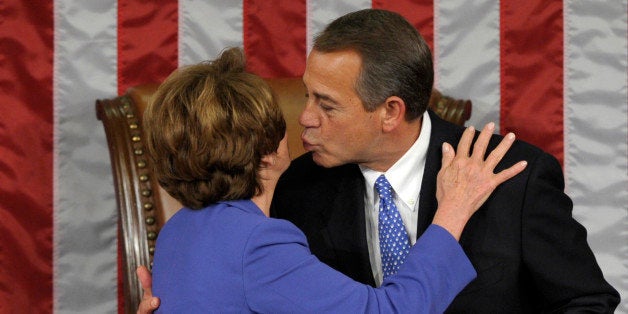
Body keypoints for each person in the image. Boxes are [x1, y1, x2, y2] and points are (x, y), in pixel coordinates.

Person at [139, 9, 620, 313]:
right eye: (306, 95)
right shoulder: (292, 188)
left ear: (390, 111)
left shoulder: (510, 174)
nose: (303, 119)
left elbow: (587, 303)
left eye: (326, 104)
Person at [141, 46, 525, 313]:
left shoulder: (179, 232)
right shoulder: (257, 243)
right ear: (268, 150)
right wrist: (453, 212)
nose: (306, 119)